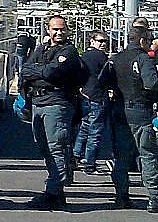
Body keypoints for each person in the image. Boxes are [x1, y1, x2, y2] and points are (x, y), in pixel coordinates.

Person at [18, 14, 84, 211]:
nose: (58, 32)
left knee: (57, 148)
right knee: (44, 147)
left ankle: (53, 192)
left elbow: (51, 72)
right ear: (48, 30)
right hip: (38, 102)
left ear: (67, 30)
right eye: (55, 29)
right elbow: (25, 70)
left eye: (62, 29)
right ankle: (57, 192)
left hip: (57, 103)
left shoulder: (69, 51)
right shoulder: (43, 48)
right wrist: (42, 72)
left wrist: (41, 72)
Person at [101, 26, 158, 212]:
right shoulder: (143, 58)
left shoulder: (116, 58)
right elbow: (151, 83)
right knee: (147, 154)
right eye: (148, 42)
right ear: (141, 41)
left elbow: (102, 81)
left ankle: (121, 196)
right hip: (139, 110)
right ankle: (154, 197)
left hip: (119, 109)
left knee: (121, 155)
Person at [73, 31, 111, 176]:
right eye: (100, 41)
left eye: (105, 41)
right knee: (95, 132)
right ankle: (90, 164)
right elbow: (109, 76)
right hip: (97, 96)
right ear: (92, 41)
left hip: (85, 95)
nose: (103, 44)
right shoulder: (101, 57)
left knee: (84, 128)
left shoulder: (83, 56)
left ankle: (76, 157)